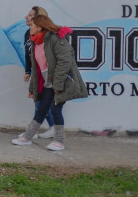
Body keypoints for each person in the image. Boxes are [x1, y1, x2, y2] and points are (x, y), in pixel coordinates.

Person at [12, 15, 88, 151]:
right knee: (41, 108)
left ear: (40, 26)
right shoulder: (36, 41)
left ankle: (59, 141)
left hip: (61, 80)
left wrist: (58, 85)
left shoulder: (56, 38)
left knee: (55, 109)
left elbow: (65, 61)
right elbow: (37, 68)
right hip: (47, 81)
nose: (29, 27)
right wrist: (32, 88)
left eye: (31, 25)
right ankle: (27, 137)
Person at [20, 6, 54, 140]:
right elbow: (28, 55)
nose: (26, 17)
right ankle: (50, 128)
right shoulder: (26, 34)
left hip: (46, 74)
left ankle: (33, 131)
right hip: (37, 74)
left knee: (41, 103)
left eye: (30, 15)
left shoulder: (48, 35)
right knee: (39, 102)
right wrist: (28, 70)